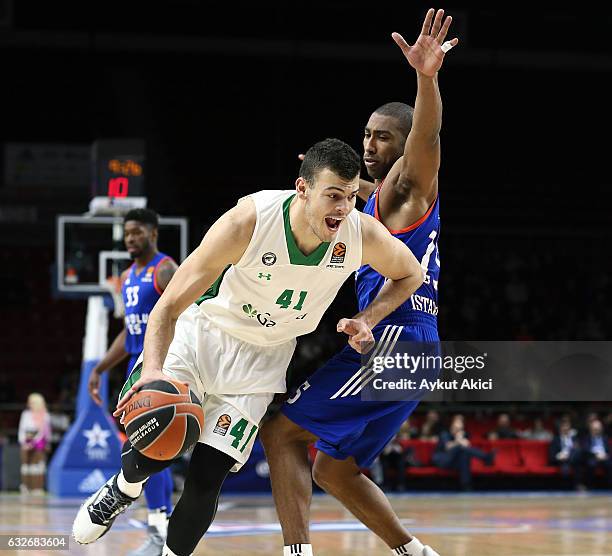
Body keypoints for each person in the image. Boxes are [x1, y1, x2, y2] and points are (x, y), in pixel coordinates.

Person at [72, 137, 426, 556]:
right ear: (302, 189)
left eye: (350, 196)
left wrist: (368, 318)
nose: (343, 208)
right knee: (153, 451)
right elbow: (167, 307)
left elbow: (411, 274)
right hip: (204, 336)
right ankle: (123, 487)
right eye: (333, 196)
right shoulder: (249, 221)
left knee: (208, 476)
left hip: (262, 361)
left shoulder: (361, 233)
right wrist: (151, 372)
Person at [259, 9, 457, 556]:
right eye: (367, 135)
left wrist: (426, 78)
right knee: (335, 470)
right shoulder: (376, 200)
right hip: (417, 347)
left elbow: (428, 133)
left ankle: (295, 552)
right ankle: (414, 552)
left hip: (395, 337)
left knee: (281, 435)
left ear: (404, 144)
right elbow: (364, 193)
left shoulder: (411, 186)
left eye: (384, 137)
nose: (370, 144)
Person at [88, 208, 178, 556]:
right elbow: (129, 331)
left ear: (153, 233)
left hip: (159, 370)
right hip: (134, 374)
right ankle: (161, 530)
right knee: (146, 450)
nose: (130, 238)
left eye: (137, 232)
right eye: (126, 233)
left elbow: (188, 313)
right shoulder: (126, 277)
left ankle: (161, 531)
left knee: (150, 449)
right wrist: (99, 369)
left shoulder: (166, 269)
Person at [432, 415, 494, 491]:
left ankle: (466, 485)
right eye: (456, 428)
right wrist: (458, 441)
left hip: (454, 462)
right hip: (442, 460)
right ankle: (485, 457)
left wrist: (461, 440)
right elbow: (448, 447)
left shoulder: (462, 436)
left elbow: (467, 446)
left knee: (464, 455)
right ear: (452, 426)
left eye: (460, 429)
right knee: (460, 448)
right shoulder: (445, 434)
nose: (457, 430)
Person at [18, 393, 51, 494]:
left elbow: (45, 432)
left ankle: (37, 487)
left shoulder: (45, 415)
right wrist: (24, 443)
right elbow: (22, 430)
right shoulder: (26, 414)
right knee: (26, 467)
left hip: (39, 445)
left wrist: (35, 443)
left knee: (38, 467)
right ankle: (26, 486)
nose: (29, 404)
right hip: (26, 445)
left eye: (31, 402)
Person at [548, 417, 582, 489]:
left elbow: (578, 452)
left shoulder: (574, 439)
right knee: (565, 467)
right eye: (564, 426)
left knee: (577, 453)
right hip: (561, 460)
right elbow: (552, 455)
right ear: (560, 428)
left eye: (567, 426)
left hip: (573, 460)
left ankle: (577, 486)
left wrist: (568, 456)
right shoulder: (555, 440)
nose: (566, 428)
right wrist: (559, 456)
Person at [580, 419, 612, 488]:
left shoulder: (605, 438)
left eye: (598, 429)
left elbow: (609, 450)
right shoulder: (587, 438)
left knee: (610, 464)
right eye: (595, 429)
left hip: (604, 457)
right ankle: (590, 486)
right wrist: (596, 455)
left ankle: (609, 486)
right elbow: (585, 449)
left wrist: (606, 455)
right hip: (592, 457)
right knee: (591, 464)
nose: (597, 430)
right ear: (591, 429)